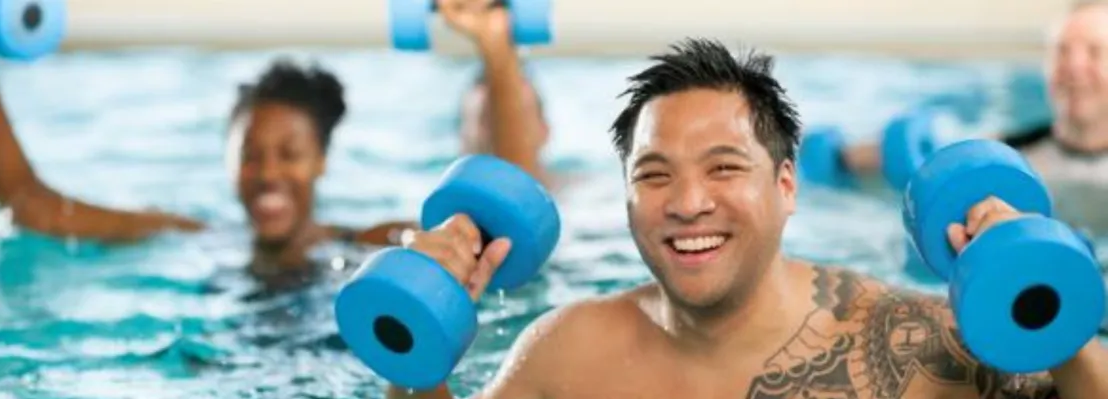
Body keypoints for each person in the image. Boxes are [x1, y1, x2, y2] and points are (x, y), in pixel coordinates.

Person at [386, 38, 1108, 399]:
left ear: (787, 185)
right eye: (654, 174)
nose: (688, 202)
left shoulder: (913, 347)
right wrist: (423, 334)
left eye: (724, 168)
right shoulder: (564, 358)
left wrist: (1049, 308)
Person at [0, 48, 414, 277]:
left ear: (321, 161)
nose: (268, 174)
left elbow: (473, 238)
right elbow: (27, 203)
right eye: (249, 156)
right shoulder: (202, 240)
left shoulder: (369, 246)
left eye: (290, 155)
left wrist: (489, 47)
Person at [834, 0, 1108, 186]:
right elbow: (926, 157)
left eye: (1094, 52)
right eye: (1062, 52)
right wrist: (840, 157)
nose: (1074, 67)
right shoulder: (1009, 153)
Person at [441, 0, 552, 185]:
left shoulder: (590, 197)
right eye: (487, 120)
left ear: (545, 131)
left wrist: (497, 48)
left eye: (517, 117)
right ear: (461, 137)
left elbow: (515, 184)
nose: (497, 131)